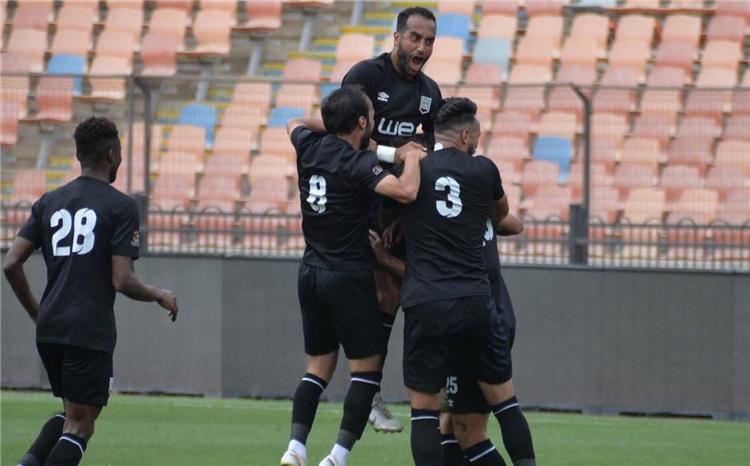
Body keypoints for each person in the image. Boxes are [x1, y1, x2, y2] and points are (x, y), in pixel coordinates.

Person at [3, 117, 178, 466]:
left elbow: (10, 263)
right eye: (120, 153)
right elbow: (122, 280)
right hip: (88, 330)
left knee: (70, 414)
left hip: (50, 328)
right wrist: (158, 294)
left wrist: (39, 313)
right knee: (81, 426)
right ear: (111, 155)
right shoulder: (121, 206)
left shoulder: (49, 201)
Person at [279, 86, 427, 466]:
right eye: (371, 116)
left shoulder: (308, 147)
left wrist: (331, 125)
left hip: (310, 272)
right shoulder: (358, 163)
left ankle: (295, 448)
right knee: (365, 371)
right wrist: (410, 156)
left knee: (317, 370)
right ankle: (337, 457)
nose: (374, 120)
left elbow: (293, 121)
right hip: (348, 275)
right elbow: (407, 191)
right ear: (362, 122)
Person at [397, 97, 530, 466]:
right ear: (466, 136)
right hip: (476, 301)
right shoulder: (483, 170)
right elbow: (504, 214)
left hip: (427, 302)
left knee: (425, 414)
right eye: (477, 137)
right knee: (505, 405)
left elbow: (392, 212)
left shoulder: (415, 172)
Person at [342, 5, 443, 433]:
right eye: (415, 37)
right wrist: (392, 153)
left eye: (429, 41)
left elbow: (427, 154)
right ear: (397, 37)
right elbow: (344, 138)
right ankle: (356, 393)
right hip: (353, 200)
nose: (422, 47)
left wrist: (404, 212)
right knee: (349, 296)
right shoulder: (366, 76)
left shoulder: (430, 93)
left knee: (391, 294)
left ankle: (369, 392)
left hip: (392, 206)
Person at [440, 216, 537, 466]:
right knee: (450, 422)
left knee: (467, 429)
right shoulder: (477, 201)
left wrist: (384, 259)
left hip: (470, 320)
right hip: (496, 313)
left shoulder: (436, 211)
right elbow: (515, 224)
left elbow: (427, 279)